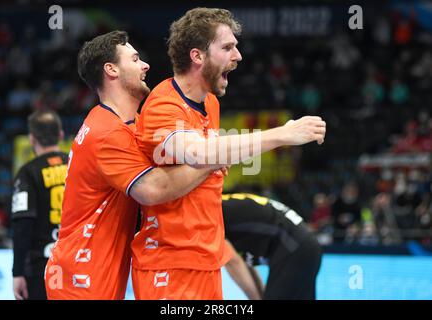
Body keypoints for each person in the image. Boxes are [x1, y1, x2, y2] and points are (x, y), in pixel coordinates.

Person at [132, 7, 326, 300]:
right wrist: (281, 134)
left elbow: (208, 161)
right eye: (227, 47)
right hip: (170, 266)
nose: (238, 56)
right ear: (197, 56)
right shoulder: (164, 104)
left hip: (206, 262)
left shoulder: (209, 103)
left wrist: (215, 160)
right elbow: (198, 154)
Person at [45, 31, 223, 300]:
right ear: (111, 70)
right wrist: (213, 159)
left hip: (95, 272)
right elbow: (153, 189)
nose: (146, 66)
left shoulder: (126, 124)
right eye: (135, 59)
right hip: (80, 279)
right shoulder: (107, 132)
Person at [222, 193, 322, 300]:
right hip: (306, 245)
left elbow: (232, 261)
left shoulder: (208, 214)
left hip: (293, 250)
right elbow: (244, 264)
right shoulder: (223, 204)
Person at [12, 110, 68, 300]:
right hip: (78, 262)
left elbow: (23, 225)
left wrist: (17, 271)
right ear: (60, 135)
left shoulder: (28, 172)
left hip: (42, 267)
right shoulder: (77, 164)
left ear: (32, 138)